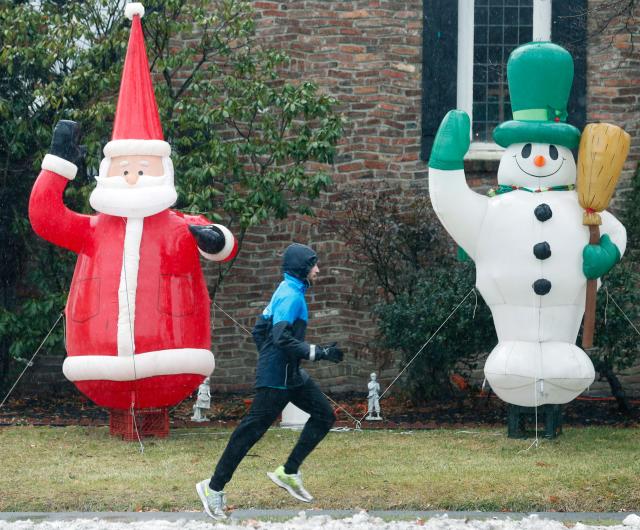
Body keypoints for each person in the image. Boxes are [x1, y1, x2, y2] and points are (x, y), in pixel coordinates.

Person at [196, 243, 344, 520]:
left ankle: (288, 472)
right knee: (248, 434)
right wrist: (318, 352)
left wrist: (273, 357)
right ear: (302, 268)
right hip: (277, 379)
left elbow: (258, 330)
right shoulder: (291, 296)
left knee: (324, 415)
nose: (318, 269)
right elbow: (280, 338)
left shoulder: (287, 289)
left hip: (290, 375)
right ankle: (212, 488)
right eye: (314, 264)